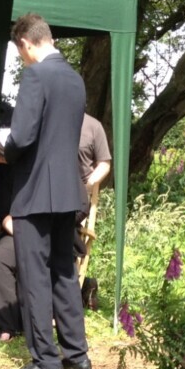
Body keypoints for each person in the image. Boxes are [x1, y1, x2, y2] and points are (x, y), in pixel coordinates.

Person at [0, 13, 90, 369]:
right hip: (68, 189)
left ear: (26, 44)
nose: (22, 60)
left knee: (35, 277)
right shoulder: (74, 78)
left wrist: (2, 144)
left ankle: (45, 362)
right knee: (64, 273)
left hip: (36, 190)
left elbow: (21, 137)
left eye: (20, 53)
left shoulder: (36, 75)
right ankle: (77, 355)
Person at [76, 113, 111, 308]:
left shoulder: (92, 126)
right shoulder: (49, 119)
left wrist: (88, 185)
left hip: (77, 199)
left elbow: (104, 163)